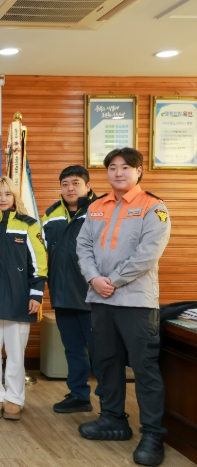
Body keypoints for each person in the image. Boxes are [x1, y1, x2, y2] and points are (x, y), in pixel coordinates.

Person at [76, 148, 171, 467]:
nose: (118, 173)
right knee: (107, 363)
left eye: (126, 167)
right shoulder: (96, 206)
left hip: (136, 302)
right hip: (101, 299)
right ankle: (113, 419)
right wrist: (93, 278)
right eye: (112, 167)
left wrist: (112, 280)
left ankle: (153, 434)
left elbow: (148, 254)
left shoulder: (153, 207)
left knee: (144, 368)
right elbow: (83, 246)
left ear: (139, 171)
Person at [0, 176, 47, 420]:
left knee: (16, 353)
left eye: (7, 194)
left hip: (20, 299)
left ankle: (14, 398)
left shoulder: (28, 225)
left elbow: (39, 263)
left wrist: (36, 293)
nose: (3, 199)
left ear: (14, 197)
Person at [41, 165, 102, 414]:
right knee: (73, 349)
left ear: (88, 186)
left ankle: (110, 403)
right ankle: (79, 395)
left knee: (101, 352)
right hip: (62, 294)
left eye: (76, 183)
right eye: (65, 184)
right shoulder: (51, 214)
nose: (70, 188)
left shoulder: (101, 210)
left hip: (95, 296)